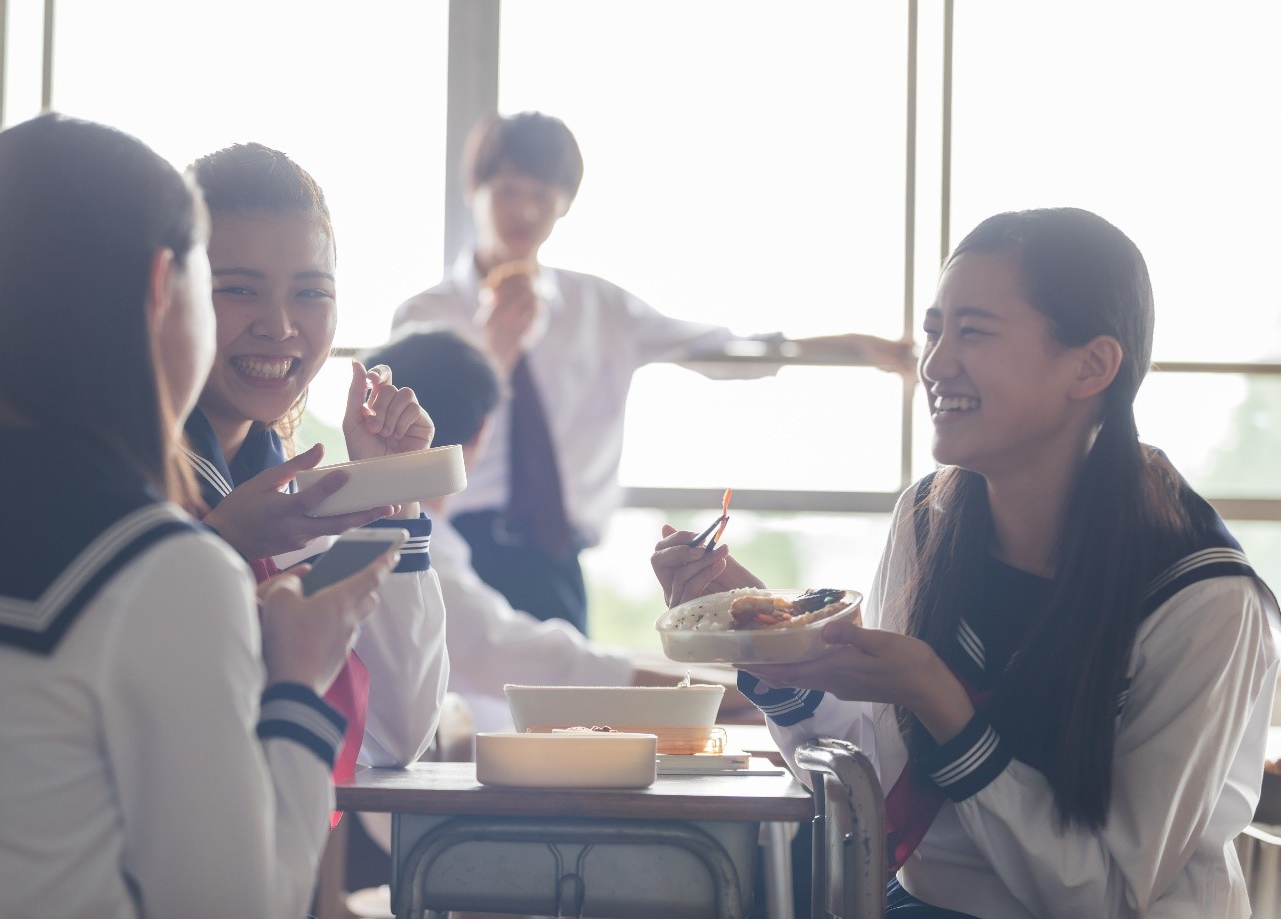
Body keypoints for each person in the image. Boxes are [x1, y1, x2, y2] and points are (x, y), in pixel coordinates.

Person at [651, 207, 1279, 917]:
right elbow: (877, 786)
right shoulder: (928, 518)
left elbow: (1104, 895)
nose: (933, 363)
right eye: (932, 330)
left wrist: (938, 697)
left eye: (972, 331)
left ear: (1092, 364)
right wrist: (770, 645)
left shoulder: (1202, 599)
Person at [0, 114, 394, 918]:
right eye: (221, 285)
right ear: (165, 286)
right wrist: (299, 682)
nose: (273, 324)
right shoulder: (160, 570)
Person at [393, 111, 915, 635]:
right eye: (508, 191)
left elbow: (723, 353)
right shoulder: (425, 316)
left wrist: (844, 345)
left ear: (565, 205)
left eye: (543, 196)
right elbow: (408, 444)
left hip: (556, 556)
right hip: (451, 544)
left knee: (564, 706)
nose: (525, 211)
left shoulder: (599, 306)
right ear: (474, 191)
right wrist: (495, 354)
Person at [185, 142, 447, 781]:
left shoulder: (297, 494)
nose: (279, 326)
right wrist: (220, 543)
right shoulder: (127, 474)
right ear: (172, 292)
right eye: (238, 290)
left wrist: (391, 493)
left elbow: (394, 735)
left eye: (310, 292)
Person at [365, 328, 748, 731]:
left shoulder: (416, 537)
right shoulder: (414, 543)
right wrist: (731, 692)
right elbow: (523, 658)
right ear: (483, 430)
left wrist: (728, 686)